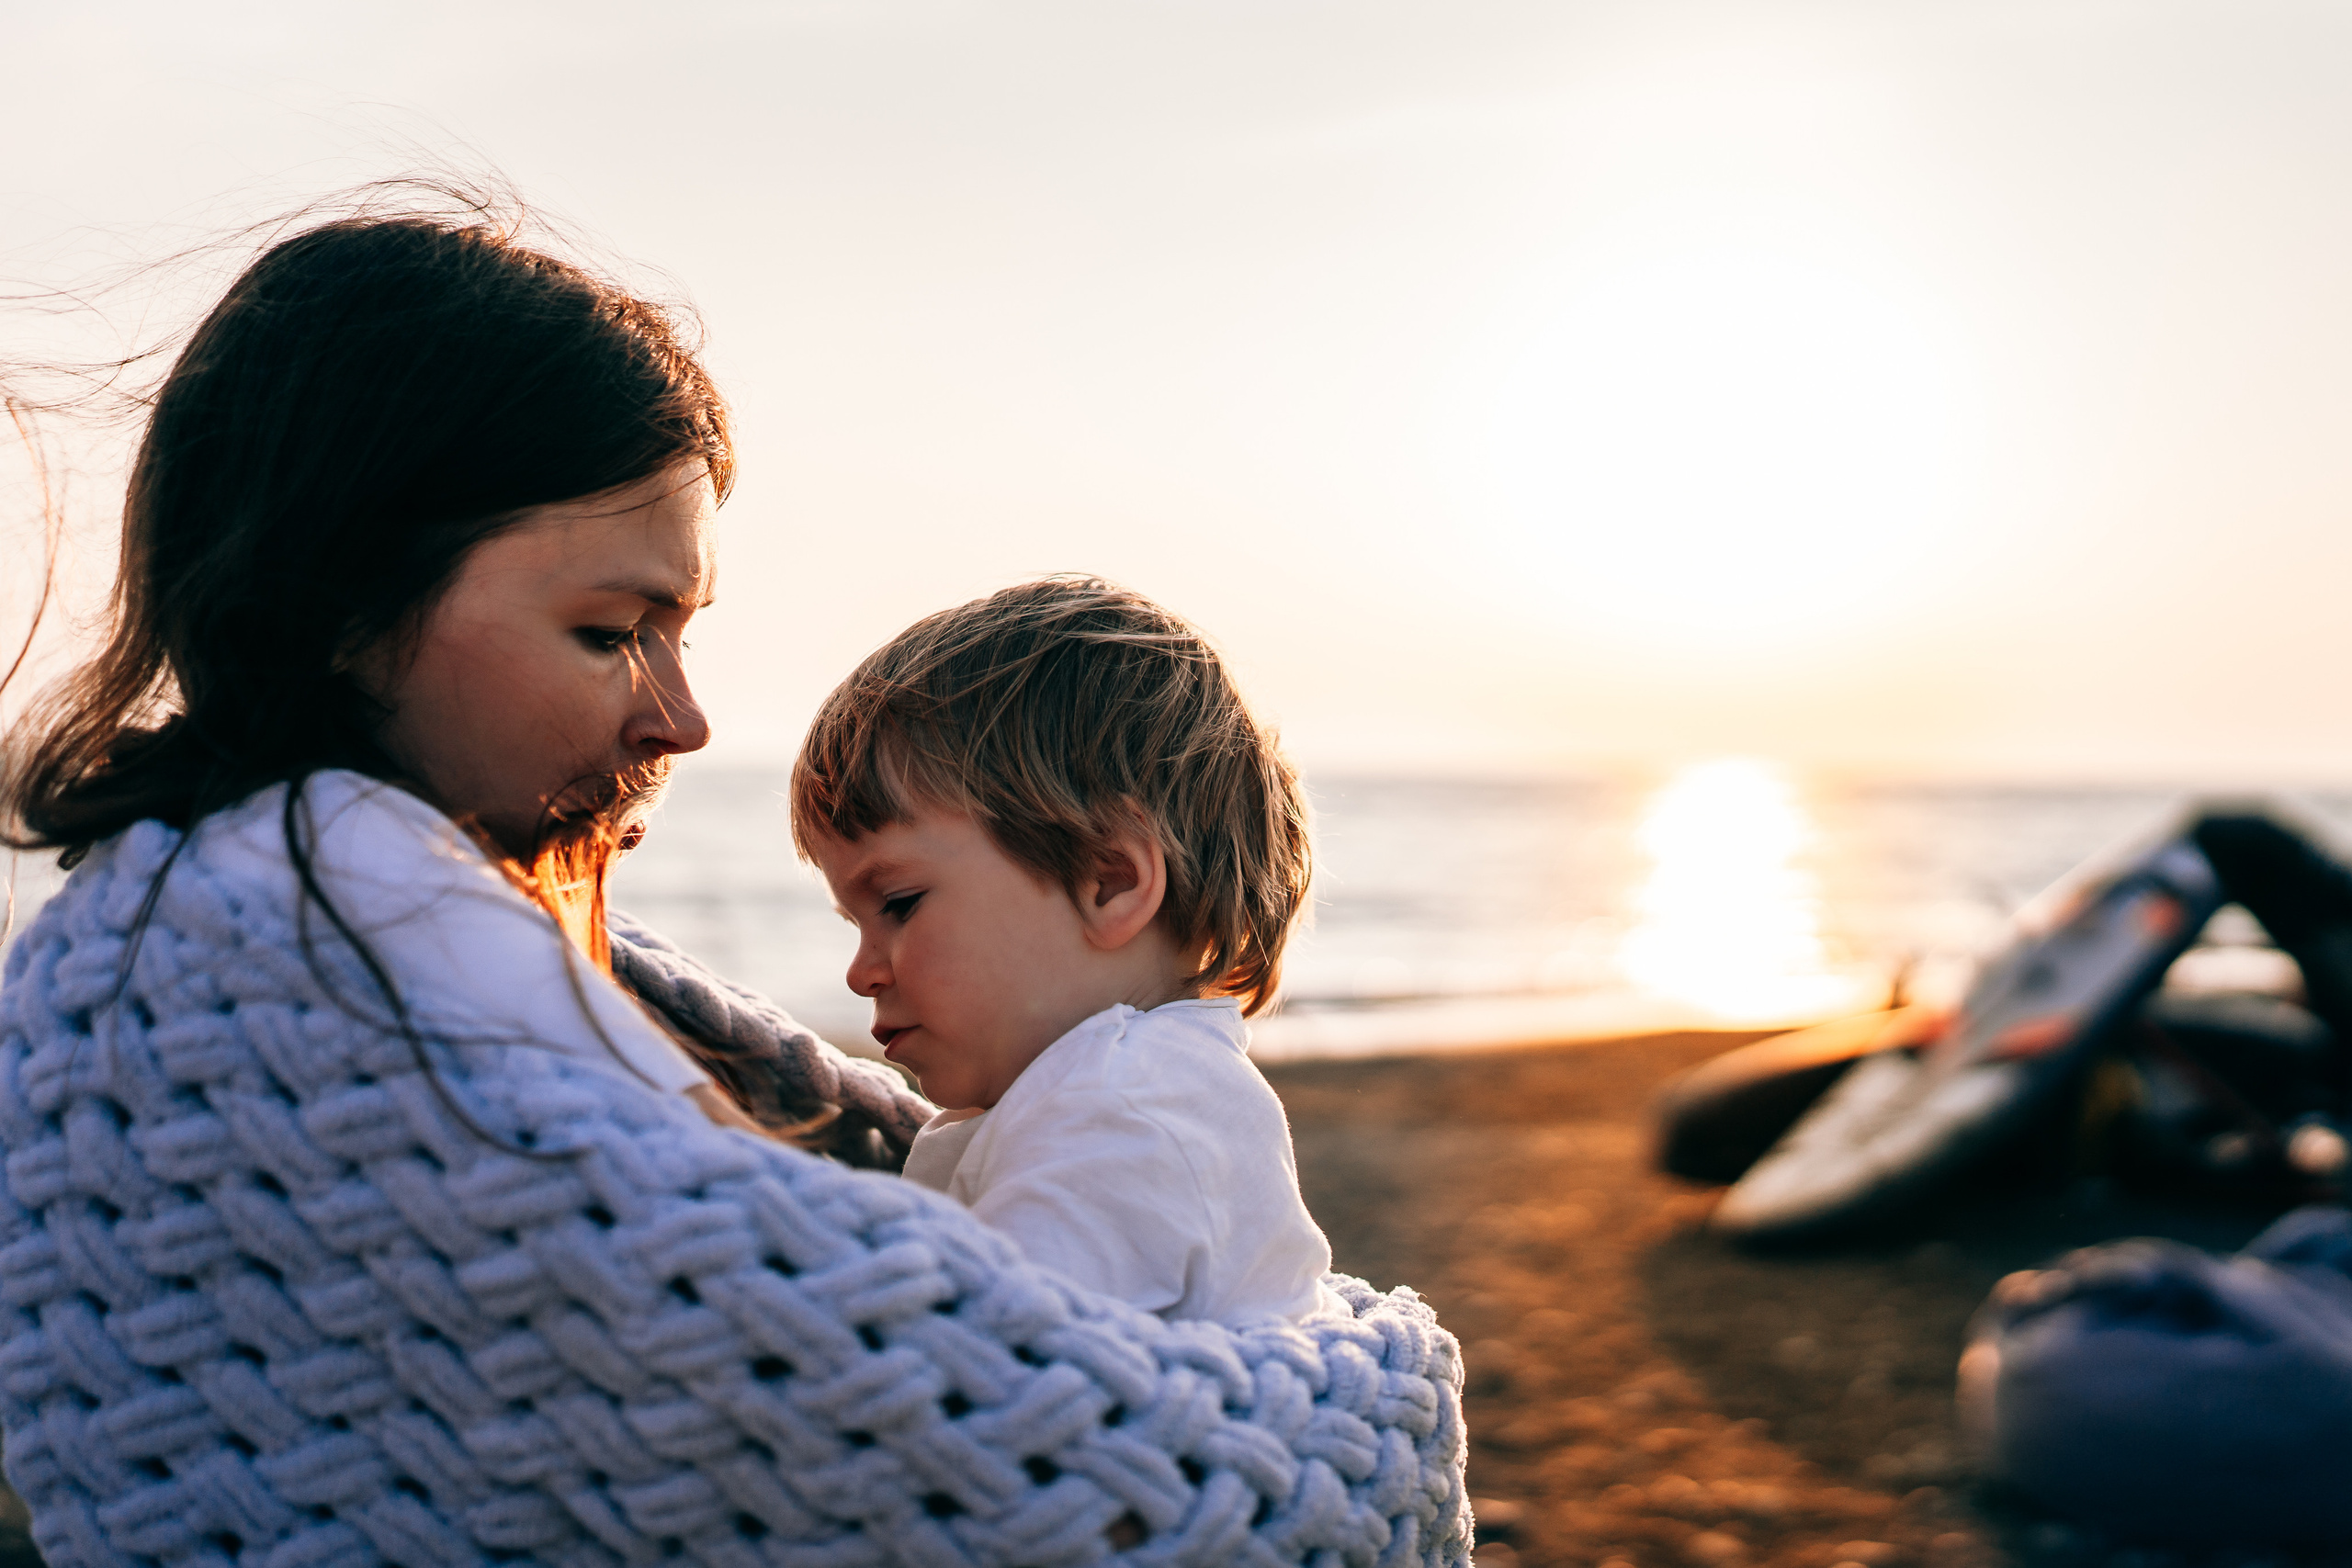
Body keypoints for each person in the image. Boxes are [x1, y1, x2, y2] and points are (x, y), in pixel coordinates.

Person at [0, 194, 1469, 1566]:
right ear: (337, 602)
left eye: (680, 631)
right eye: (613, 628)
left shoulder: (195, 903)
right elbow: (851, 1321)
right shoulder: (344, 873)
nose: (679, 715)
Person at [793, 578, 1343, 1325]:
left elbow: (980, 1364)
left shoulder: (1122, 1110)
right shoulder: (1128, 1085)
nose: (862, 972)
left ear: (1109, 882)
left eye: (898, 905)